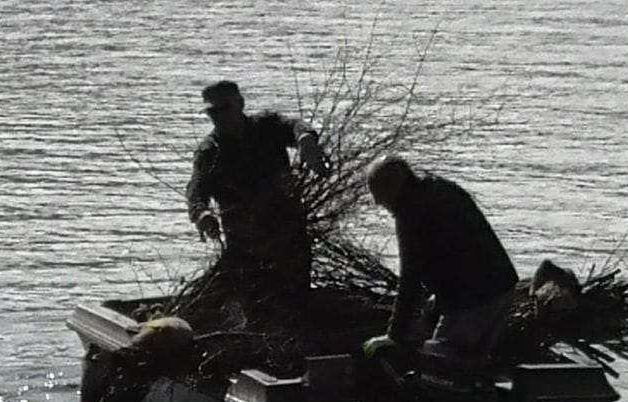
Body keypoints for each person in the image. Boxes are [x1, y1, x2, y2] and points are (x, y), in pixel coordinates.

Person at [362, 155, 519, 363]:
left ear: (391, 187)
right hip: (503, 285)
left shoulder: (410, 211)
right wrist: (439, 300)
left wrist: (395, 335)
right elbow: (460, 248)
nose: (377, 202)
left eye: (378, 194)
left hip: (473, 300)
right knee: (474, 363)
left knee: (439, 363)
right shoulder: (441, 188)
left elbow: (410, 277)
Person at [186, 80, 329, 293]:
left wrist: (305, 139)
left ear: (240, 103)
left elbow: (294, 126)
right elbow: (196, 191)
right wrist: (201, 214)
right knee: (254, 299)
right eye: (213, 112)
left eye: (226, 108)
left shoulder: (267, 127)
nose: (220, 116)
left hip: (289, 235)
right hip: (245, 245)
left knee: (297, 297)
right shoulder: (209, 152)